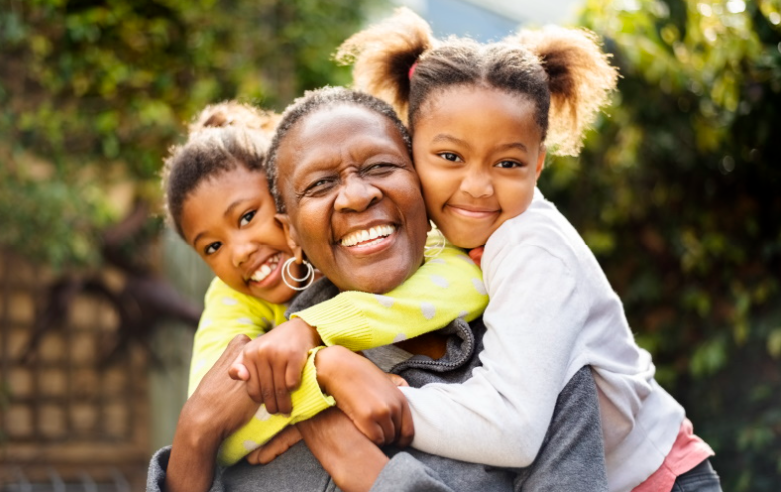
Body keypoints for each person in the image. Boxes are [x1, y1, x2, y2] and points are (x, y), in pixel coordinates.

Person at [334, 7, 721, 492]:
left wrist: (392, 402)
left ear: (537, 166)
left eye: (508, 162)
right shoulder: (440, 236)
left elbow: (513, 430)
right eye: (450, 157)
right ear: (410, 150)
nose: (476, 186)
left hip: (658, 481)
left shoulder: (531, 249)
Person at [148, 86, 608, 492]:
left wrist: (367, 471)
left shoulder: (535, 365)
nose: (356, 195)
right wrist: (196, 433)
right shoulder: (264, 370)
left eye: (382, 166)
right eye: (320, 184)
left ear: (424, 185)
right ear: (290, 232)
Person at [160, 102, 487, 466]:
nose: (238, 252)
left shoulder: (403, 239)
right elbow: (213, 410)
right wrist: (323, 383)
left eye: (249, 216)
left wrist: (314, 331)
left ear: (286, 197)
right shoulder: (231, 296)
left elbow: (469, 281)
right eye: (212, 247)